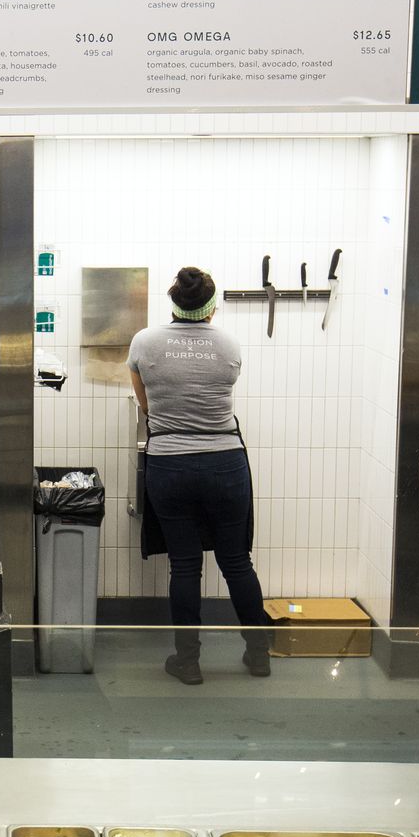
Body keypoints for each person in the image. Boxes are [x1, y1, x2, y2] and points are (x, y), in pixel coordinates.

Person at [129, 266, 271, 685]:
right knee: (236, 561)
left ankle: (188, 662)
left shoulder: (144, 341)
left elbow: (147, 408)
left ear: (174, 302)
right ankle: (259, 654)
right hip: (225, 462)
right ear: (211, 308)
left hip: (170, 463)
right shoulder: (228, 344)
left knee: (185, 566)